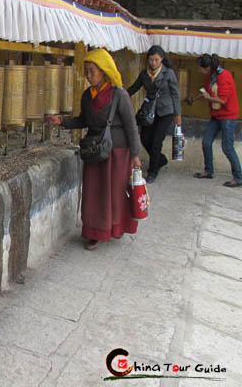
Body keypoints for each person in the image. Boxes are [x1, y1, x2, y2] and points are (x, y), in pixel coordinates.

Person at [46, 49, 141, 251]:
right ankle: (94, 232)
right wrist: (62, 121)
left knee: (114, 193)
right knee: (93, 193)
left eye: (92, 71)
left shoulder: (119, 94)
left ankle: (115, 227)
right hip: (94, 150)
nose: (88, 76)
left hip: (117, 151)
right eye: (86, 71)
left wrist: (135, 154)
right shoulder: (87, 96)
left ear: (104, 71)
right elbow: (83, 120)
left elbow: (131, 125)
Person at [126, 45, 181, 183]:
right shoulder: (145, 73)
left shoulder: (168, 73)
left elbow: (175, 94)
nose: (153, 63)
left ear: (161, 59)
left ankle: (153, 171)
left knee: (156, 142)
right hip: (149, 111)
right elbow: (134, 88)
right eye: (151, 60)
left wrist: (177, 114)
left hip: (165, 111)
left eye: (156, 60)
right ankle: (160, 159)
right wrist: (120, 95)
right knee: (145, 139)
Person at [190, 54, 241, 187]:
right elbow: (206, 91)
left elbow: (222, 100)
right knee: (206, 142)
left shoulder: (225, 77)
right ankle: (209, 171)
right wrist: (193, 99)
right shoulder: (212, 76)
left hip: (228, 116)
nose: (199, 71)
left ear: (208, 68)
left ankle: (238, 177)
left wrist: (207, 98)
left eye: (201, 68)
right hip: (217, 115)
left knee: (227, 148)